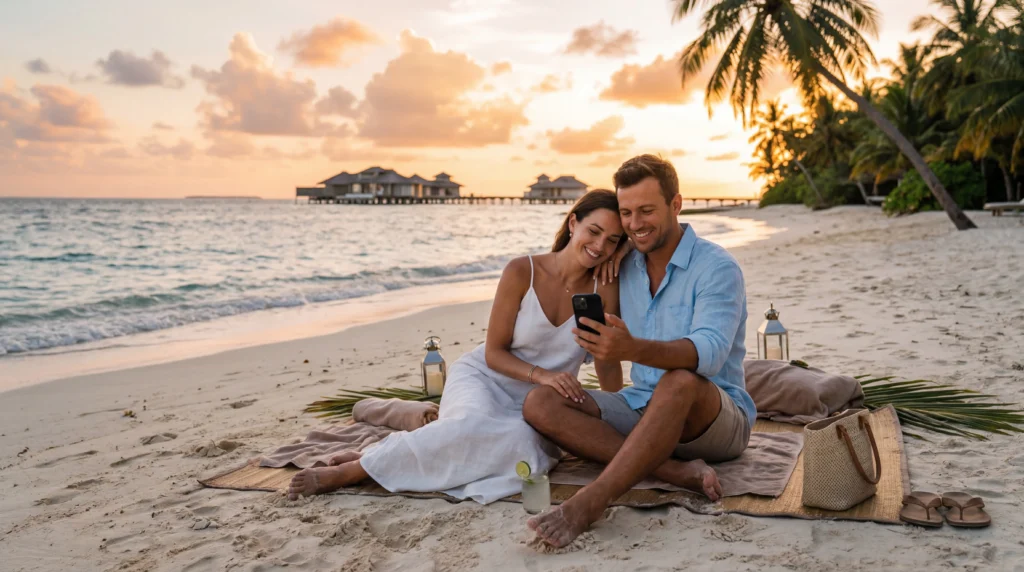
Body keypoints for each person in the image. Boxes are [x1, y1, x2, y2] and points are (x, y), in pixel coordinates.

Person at [286, 190, 635, 503]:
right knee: (469, 427)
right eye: (594, 231)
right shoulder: (522, 271)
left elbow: (605, 359)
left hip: (541, 403)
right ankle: (356, 470)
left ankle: (385, 451)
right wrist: (543, 376)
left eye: (612, 240)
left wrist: (610, 411)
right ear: (573, 222)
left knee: (521, 448)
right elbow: (493, 352)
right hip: (486, 378)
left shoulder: (605, 288)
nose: (600, 245)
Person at [522, 155, 754, 548]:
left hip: (713, 419)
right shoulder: (622, 266)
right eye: (626, 213)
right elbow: (610, 372)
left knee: (680, 380)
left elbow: (710, 355)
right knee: (540, 403)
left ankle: (591, 501)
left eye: (647, 210)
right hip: (642, 406)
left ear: (676, 205)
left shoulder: (716, 267)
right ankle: (673, 471)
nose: (635, 223)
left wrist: (633, 348)